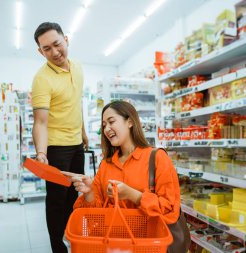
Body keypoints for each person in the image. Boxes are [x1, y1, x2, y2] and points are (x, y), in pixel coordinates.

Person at [62, 100, 180, 239]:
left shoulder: (157, 158)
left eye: (111, 122)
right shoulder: (106, 164)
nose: (106, 129)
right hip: (112, 242)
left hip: (147, 243)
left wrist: (133, 195)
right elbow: (95, 215)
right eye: (104, 125)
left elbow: (170, 208)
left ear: (130, 122)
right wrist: (89, 193)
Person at [31, 22, 88, 253]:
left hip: (76, 145)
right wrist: (41, 154)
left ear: (66, 39)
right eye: (47, 49)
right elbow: (40, 122)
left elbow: (76, 104)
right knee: (57, 201)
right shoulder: (42, 79)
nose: (55, 52)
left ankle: (72, 240)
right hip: (55, 149)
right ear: (40, 52)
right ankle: (58, 248)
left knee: (76, 197)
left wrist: (83, 133)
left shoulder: (78, 67)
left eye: (57, 44)